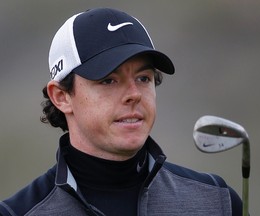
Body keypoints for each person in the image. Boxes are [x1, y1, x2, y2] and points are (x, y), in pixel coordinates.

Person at [0, 7, 242, 216]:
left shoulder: (218, 202)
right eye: (108, 80)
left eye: (144, 78)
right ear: (62, 97)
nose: (134, 94)